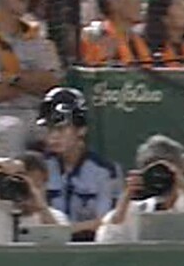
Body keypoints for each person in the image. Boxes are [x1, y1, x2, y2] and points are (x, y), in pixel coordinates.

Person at [95, 135, 184, 244]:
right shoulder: (136, 208)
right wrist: (125, 198)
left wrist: (183, 183)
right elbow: (106, 239)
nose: (159, 174)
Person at [37, 87, 121, 240]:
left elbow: (106, 222)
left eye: (61, 129)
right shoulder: (41, 166)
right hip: (48, 245)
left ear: (81, 129)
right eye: (49, 129)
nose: (53, 136)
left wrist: (65, 230)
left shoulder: (104, 171)